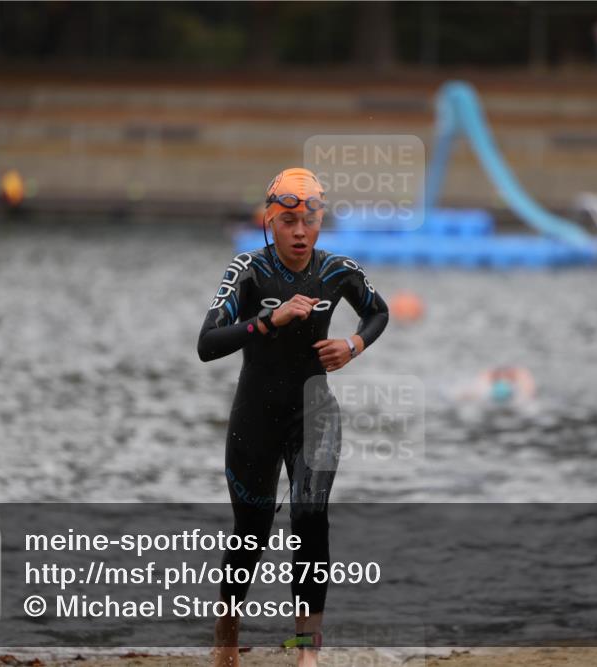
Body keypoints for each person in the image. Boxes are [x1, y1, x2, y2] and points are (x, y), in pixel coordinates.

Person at [198, 167, 389, 667]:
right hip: (255, 416)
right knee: (251, 533)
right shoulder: (247, 269)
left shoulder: (337, 270)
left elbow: (379, 311)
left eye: (309, 220)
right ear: (270, 222)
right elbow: (207, 344)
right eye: (288, 222)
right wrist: (268, 320)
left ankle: (306, 649)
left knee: (309, 517)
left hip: (314, 412)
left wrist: (353, 344)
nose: (300, 232)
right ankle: (227, 629)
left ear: (320, 220)